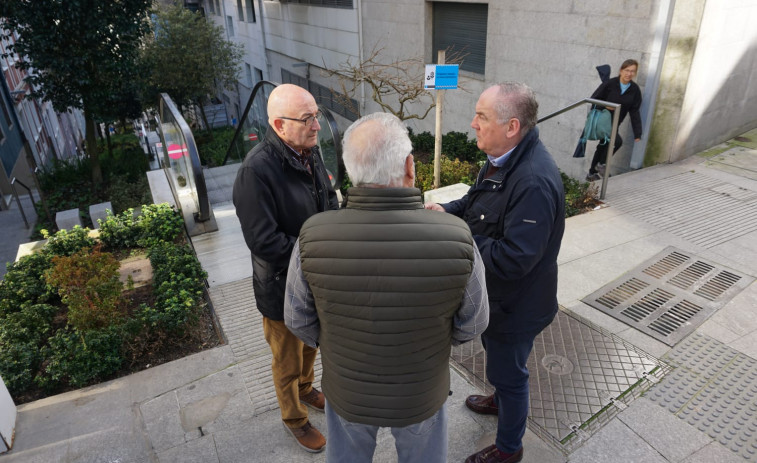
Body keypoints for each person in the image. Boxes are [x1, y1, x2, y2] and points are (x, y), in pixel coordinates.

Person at [284, 112, 490, 463]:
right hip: (421, 394)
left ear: (350, 171)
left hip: (348, 393)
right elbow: (474, 322)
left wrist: (337, 340)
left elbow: (296, 318)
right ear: (410, 166)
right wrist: (434, 341)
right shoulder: (457, 237)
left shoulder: (311, 236)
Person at [425, 82, 565, 463]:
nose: (473, 123)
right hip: (498, 299)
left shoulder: (532, 181)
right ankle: (500, 396)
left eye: (482, 117)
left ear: (512, 126)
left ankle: (509, 448)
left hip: (515, 306)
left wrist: (456, 236)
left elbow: (515, 258)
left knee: (511, 373)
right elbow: (476, 198)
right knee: (500, 362)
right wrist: (448, 211)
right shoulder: (505, 157)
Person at [232, 83, 338, 453]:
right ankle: (294, 417)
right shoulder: (254, 173)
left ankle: (307, 389)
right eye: (307, 118)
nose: (317, 125)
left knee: (311, 343)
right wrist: (318, 253)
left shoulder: (309, 152)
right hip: (281, 287)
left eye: (317, 116)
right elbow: (264, 242)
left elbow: (327, 202)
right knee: (287, 358)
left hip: (314, 279)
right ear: (279, 125)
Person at [586, 59, 643, 181]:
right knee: (617, 142)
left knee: (603, 146)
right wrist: (605, 106)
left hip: (616, 122)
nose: (629, 73)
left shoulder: (634, 90)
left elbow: (634, 111)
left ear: (635, 73)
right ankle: (601, 164)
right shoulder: (610, 84)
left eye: (632, 71)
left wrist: (637, 132)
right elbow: (593, 99)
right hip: (602, 121)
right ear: (621, 71)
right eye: (627, 70)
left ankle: (592, 173)